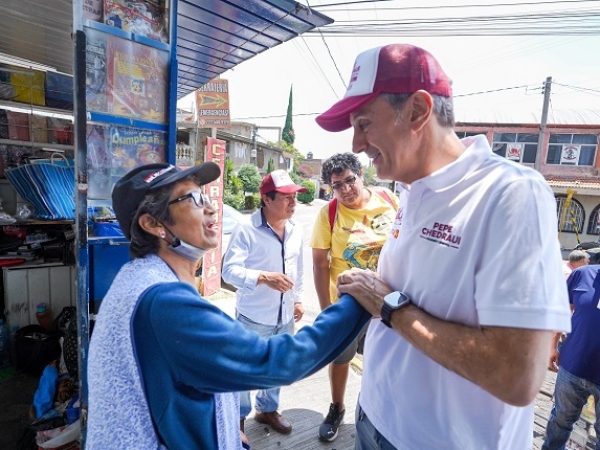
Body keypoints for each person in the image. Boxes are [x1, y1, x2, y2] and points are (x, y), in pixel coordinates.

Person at [315, 43, 572, 449]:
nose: (357, 143)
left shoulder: (510, 193)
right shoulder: (407, 190)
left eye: (364, 123)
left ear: (418, 110)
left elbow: (515, 375)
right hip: (375, 416)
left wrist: (391, 308)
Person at [86, 163, 371, 450]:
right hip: (256, 315)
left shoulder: (141, 281)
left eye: (205, 195)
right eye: (194, 199)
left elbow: (182, 398)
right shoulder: (163, 302)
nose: (211, 208)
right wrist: (358, 299)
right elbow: (276, 361)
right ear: (153, 224)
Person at [310, 152, 397, 442]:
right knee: (341, 357)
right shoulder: (329, 213)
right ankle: (337, 408)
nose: (345, 189)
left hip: (385, 303)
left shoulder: (389, 199)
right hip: (346, 305)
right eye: (337, 185)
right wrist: (326, 310)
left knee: (381, 360)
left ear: (361, 174)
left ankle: (375, 412)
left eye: (350, 180)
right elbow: (321, 263)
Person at [222, 169, 306, 435]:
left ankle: (267, 409)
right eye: (286, 197)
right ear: (267, 200)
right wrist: (262, 277)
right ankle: (238, 420)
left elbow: (298, 269)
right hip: (253, 317)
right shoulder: (246, 229)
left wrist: (298, 300)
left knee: (277, 366)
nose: (293, 202)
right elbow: (228, 271)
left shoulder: (295, 230)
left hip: (285, 316)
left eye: (295, 196)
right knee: (245, 370)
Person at [543, 264, 600, 450]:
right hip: (573, 365)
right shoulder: (582, 274)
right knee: (560, 421)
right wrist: (553, 345)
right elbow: (563, 310)